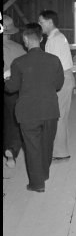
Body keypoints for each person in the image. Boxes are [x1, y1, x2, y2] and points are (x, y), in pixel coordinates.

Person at [4, 23, 64, 192]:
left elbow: (11, 88)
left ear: (24, 40)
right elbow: (59, 85)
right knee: (46, 145)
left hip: (28, 112)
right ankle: (44, 174)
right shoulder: (54, 60)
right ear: (42, 38)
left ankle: (37, 183)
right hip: (50, 110)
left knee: (32, 147)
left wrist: (6, 80)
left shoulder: (18, 63)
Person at [38, 10, 75, 161]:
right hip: (64, 78)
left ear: (49, 22)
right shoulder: (56, 38)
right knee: (60, 116)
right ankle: (59, 149)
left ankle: (61, 153)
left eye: (41, 22)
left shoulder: (55, 40)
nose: (40, 25)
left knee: (57, 116)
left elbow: (53, 66)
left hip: (61, 79)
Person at [3, 15, 26, 168]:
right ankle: (11, 149)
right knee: (14, 121)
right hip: (12, 89)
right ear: (10, 32)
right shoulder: (18, 49)